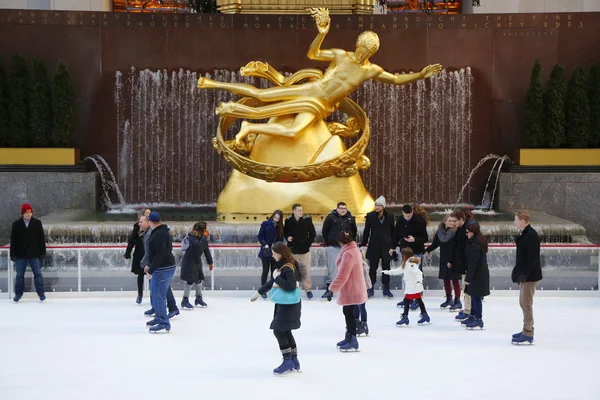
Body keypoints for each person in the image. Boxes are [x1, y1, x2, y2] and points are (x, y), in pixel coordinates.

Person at [197, 8, 441, 146]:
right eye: (360, 48)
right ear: (356, 45)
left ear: (372, 53)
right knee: (262, 95)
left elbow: (396, 80)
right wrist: (322, 33)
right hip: (311, 90)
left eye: (367, 52)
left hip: (321, 106)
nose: (361, 53)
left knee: (294, 132)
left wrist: (420, 74)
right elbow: (312, 53)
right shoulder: (340, 55)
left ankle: (249, 126)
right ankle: (214, 84)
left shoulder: (371, 70)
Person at [250, 242, 304, 374]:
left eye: (274, 254)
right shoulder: (285, 265)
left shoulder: (287, 268)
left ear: (281, 253)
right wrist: (259, 292)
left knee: (279, 331)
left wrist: (277, 278)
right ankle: (293, 359)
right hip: (288, 304)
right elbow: (271, 283)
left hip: (288, 306)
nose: (273, 256)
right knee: (285, 331)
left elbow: (289, 286)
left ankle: (287, 361)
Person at [329, 230, 368, 352]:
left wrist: (332, 289)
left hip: (352, 288)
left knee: (349, 313)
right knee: (348, 312)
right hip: (352, 287)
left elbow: (342, 275)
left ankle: (352, 339)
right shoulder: (352, 249)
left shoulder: (349, 253)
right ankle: (349, 337)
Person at [511, 210, 542, 345]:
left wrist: (524, 273)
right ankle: (526, 329)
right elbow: (523, 257)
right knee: (523, 302)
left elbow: (532, 258)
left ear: (523, 221)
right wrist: (516, 271)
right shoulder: (524, 233)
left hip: (530, 275)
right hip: (525, 274)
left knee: (526, 303)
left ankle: (528, 332)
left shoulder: (531, 235)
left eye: (516, 220)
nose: (514, 222)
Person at [144, 212, 178, 333]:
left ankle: (163, 322)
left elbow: (161, 254)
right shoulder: (161, 231)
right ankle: (159, 318)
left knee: (159, 296)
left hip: (163, 268)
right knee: (156, 294)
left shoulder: (159, 233)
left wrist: (152, 269)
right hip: (162, 267)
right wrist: (150, 265)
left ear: (150, 221)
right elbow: (160, 252)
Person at [390, 204, 428, 309]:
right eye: (405, 215)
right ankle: (408, 298)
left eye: (409, 215)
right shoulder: (400, 220)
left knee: (416, 275)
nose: (407, 217)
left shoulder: (420, 221)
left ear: (412, 213)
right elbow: (396, 235)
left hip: (416, 251)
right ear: (402, 213)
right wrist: (392, 247)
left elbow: (425, 238)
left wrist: (414, 239)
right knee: (406, 276)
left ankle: (417, 299)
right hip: (405, 251)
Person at [384, 247, 431, 326]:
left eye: (402, 254)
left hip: (413, 286)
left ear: (405, 255)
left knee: (407, 300)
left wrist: (419, 281)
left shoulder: (410, 264)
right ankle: (424, 315)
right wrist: (388, 272)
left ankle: (406, 317)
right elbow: (398, 270)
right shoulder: (406, 263)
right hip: (412, 286)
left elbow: (418, 273)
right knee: (418, 300)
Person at [360, 196, 395, 299]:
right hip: (374, 246)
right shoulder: (370, 216)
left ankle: (386, 288)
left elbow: (393, 232)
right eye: (376, 205)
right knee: (372, 269)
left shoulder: (390, 216)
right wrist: (364, 242)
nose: (377, 207)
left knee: (386, 269)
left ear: (383, 206)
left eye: (379, 205)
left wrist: (393, 245)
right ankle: (370, 288)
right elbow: (367, 230)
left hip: (386, 247)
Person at [10, 203, 46, 302]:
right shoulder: (16, 224)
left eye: (30, 212)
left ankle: (41, 293)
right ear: (22, 213)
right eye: (26, 212)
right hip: (20, 255)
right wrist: (12, 254)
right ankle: (18, 294)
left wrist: (42, 252)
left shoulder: (37, 223)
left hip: (34, 254)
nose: (28, 214)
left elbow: (41, 239)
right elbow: (13, 240)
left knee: (38, 274)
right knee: (19, 276)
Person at [322, 202, 358, 301]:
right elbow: (325, 230)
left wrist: (350, 239)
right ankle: (329, 289)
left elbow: (354, 231)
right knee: (333, 268)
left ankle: (348, 289)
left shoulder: (351, 218)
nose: (343, 210)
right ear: (337, 208)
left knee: (347, 268)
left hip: (346, 247)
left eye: (345, 208)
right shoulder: (330, 217)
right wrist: (328, 241)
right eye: (341, 208)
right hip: (334, 246)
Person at [424, 214, 461, 310]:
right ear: (444, 221)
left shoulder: (456, 232)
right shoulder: (440, 232)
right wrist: (427, 250)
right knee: (446, 279)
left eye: (453, 221)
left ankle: (457, 300)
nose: (452, 223)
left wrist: (452, 260)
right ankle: (449, 298)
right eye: (450, 221)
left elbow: (458, 248)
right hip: (444, 258)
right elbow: (436, 243)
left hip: (453, 259)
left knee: (455, 280)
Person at [284, 203, 316, 299]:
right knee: (292, 271)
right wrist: (287, 237)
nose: (301, 212)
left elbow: (313, 233)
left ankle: (308, 290)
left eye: (302, 210)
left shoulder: (307, 220)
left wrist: (308, 243)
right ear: (294, 211)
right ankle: (293, 288)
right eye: (299, 210)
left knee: (306, 271)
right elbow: (285, 232)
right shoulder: (288, 220)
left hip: (305, 251)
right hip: (292, 251)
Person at [180, 221, 214, 310]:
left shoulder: (203, 238)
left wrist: (210, 262)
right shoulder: (192, 238)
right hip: (189, 262)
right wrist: (204, 237)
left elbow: (206, 250)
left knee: (199, 279)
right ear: (202, 230)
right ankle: (185, 300)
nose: (207, 231)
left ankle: (198, 298)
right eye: (206, 229)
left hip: (197, 262)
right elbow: (198, 246)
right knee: (190, 280)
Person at [463, 221, 490, 330]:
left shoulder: (475, 244)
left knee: (476, 297)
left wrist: (468, 278)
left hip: (477, 275)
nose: (466, 234)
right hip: (477, 274)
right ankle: (473, 316)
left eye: (468, 232)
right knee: (473, 295)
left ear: (473, 232)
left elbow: (473, 264)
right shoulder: (476, 241)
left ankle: (478, 319)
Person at [124, 209, 151, 304]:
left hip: (150, 254)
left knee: (151, 275)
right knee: (140, 275)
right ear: (143, 215)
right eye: (147, 213)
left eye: (150, 213)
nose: (149, 214)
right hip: (140, 253)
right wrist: (128, 252)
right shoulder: (137, 227)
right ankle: (140, 294)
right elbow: (132, 240)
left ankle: (153, 295)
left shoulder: (152, 226)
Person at [258, 210, 284, 299]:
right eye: (275, 217)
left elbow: (281, 239)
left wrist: (277, 246)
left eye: (278, 218)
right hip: (266, 251)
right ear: (273, 216)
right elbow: (259, 236)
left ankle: (274, 289)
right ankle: (263, 290)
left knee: (274, 272)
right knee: (265, 271)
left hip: (275, 252)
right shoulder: (265, 224)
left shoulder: (280, 227)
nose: (276, 219)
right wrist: (264, 244)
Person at [451, 209, 472, 320]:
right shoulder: (461, 229)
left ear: (461, 220)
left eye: (455, 221)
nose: (453, 223)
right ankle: (467, 309)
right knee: (465, 288)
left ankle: (469, 311)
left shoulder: (466, 230)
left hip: (466, 264)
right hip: (462, 264)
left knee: (467, 288)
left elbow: (465, 248)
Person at [355, 250, 372, 336]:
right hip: (358, 288)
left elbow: (363, 279)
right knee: (356, 306)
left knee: (361, 306)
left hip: (363, 288)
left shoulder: (362, 265)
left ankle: (363, 324)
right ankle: (357, 322)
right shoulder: (357, 264)